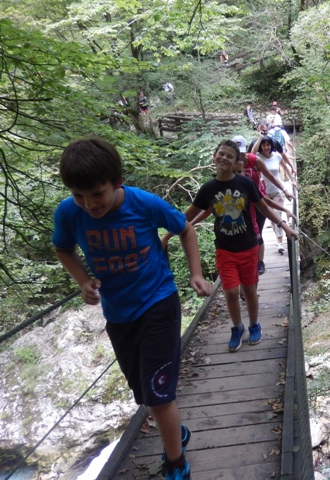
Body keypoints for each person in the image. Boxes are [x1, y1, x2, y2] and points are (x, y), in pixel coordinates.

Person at [52, 137, 212, 480]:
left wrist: (196, 274)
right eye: (79, 195)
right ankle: (177, 433)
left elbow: (184, 228)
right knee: (145, 394)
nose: (89, 204)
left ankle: (176, 463)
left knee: (158, 396)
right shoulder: (68, 213)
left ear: (117, 182)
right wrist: (83, 280)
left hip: (158, 303)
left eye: (97, 194)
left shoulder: (143, 203)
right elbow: (63, 249)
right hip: (119, 315)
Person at [167, 140, 297, 353]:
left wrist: (285, 225)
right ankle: (237, 327)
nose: (224, 158)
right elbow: (186, 217)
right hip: (224, 248)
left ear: (236, 162)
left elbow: (263, 207)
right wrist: (166, 237)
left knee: (249, 289)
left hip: (249, 246)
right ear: (214, 156)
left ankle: (254, 324)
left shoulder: (245, 183)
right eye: (221, 154)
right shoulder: (208, 189)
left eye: (230, 156)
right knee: (230, 291)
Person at [232, 135, 295, 275]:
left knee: (258, 232)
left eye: (241, 152)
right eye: (236, 152)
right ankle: (248, 262)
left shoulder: (254, 160)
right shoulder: (231, 164)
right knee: (246, 234)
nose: (240, 156)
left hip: (259, 199)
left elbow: (271, 177)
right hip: (240, 206)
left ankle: (259, 262)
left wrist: (285, 191)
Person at [251, 133, 295, 255]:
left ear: (271, 145)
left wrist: (292, 180)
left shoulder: (277, 156)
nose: (266, 147)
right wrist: (260, 138)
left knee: (277, 215)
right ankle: (277, 237)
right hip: (263, 193)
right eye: (264, 145)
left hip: (277, 191)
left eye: (268, 145)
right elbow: (251, 153)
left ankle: (279, 242)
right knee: (271, 217)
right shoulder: (258, 157)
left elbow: (284, 167)